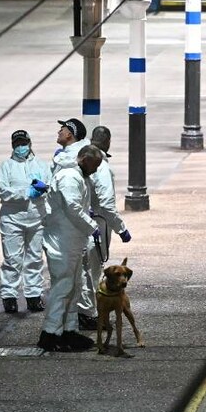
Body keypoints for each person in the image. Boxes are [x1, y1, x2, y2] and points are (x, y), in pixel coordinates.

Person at [34, 145, 103, 352]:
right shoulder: (70, 177)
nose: (96, 170)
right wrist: (92, 227)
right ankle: (50, 333)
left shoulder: (77, 176)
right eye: (95, 165)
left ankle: (69, 330)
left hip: (71, 240)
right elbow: (72, 208)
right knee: (63, 287)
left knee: (73, 287)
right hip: (62, 242)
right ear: (84, 160)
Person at [76, 125, 132, 331]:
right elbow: (108, 205)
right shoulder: (103, 168)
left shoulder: (77, 159)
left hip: (79, 224)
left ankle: (79, 311)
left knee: (80, 270)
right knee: (92, 270)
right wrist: (121, 228)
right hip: (97, 225)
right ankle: (87, 313)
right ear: (108, 143)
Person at [0, 130, 52, 314]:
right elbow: (3, 191)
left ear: (30, 143)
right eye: (18, 143)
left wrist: (44, 188)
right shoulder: (6, 166)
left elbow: (50, 186)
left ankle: (34, 296)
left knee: (35, 258)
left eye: (24, 143)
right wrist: (26, 193)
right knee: (12, 260)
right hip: (12, 219)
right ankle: (9, 297)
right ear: (13, 146)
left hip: (37, 219)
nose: (21, 147)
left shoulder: (41, 165)